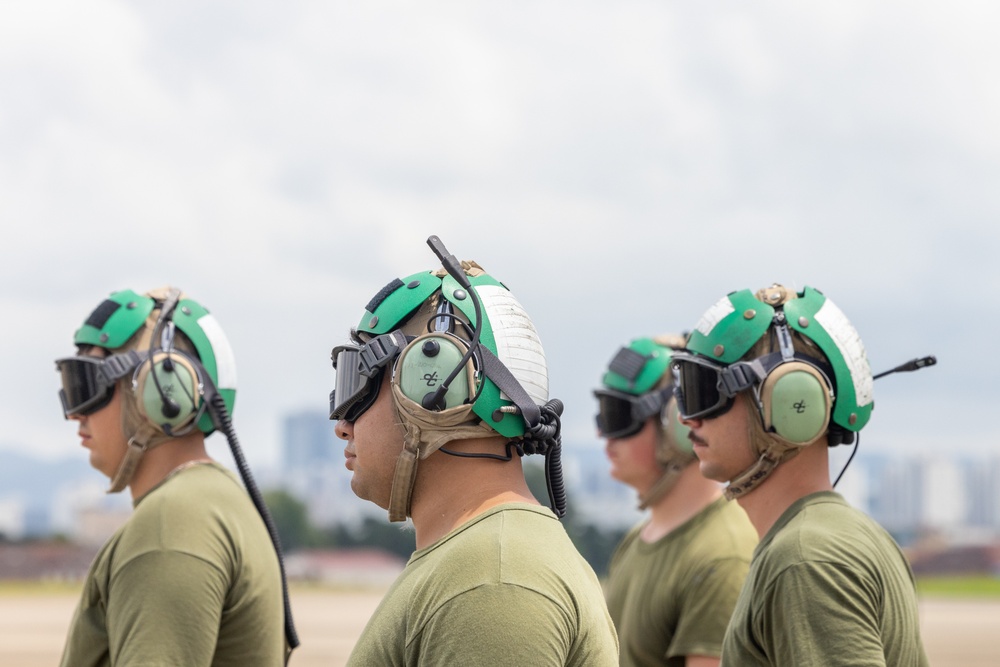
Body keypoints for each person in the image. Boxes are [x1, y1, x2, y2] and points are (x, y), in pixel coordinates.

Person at [330, 236, 619, 666]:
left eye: (357, 381)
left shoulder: (493, 582)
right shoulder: (481, 563)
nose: (342, 425)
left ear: (430, 384)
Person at [671, 283, 930, 666]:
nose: (686, 417)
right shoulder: (843, 537)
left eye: (705, 392)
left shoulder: (807, 560)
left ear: (791, 401)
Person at [55, 286, 297, 666]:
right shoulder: (215, 501)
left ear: (162, 390)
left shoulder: (171, 525)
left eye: (86, 383)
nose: (74, 413)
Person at [595, 335, 757, 667]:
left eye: (618, 416)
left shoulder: (722, 559)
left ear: (677, 423)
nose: (603, 434)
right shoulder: (638, 539)